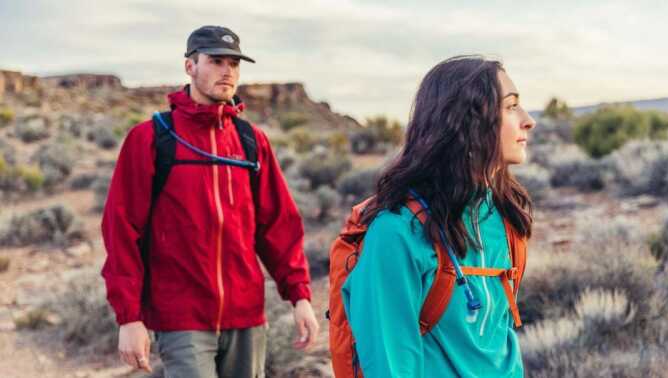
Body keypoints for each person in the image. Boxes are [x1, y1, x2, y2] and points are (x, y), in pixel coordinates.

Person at [101, 25, 319, 378]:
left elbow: (279, 226)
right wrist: (129, 317)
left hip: (247, 317)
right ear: (190, 66)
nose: (227, 71)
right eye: (216, 61)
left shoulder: (251, 141)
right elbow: (121, 230)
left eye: (234, 64)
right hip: (182, 318)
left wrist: (300, 297)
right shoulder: (151, 139)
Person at [341, 56, 536, 377]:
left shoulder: (503, 218)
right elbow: (389, 366)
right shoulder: (397, 233)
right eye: (511, 106)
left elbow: (499, 338)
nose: (528, 120)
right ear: (468, 119)